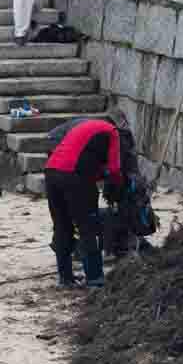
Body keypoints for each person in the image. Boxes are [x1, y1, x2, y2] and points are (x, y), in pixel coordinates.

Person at [43, 112, 130, 288]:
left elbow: (80, 156)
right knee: (88, 226)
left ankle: (65, 278)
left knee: (62, 225)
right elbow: (114, 169)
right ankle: (95, 279)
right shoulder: (112, 132)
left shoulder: (82, 127)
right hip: (74, 176)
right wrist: (117, 188)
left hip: (51, 172)